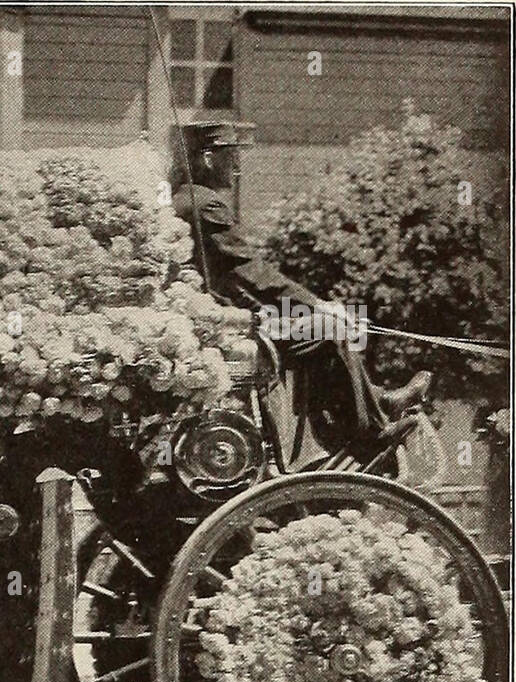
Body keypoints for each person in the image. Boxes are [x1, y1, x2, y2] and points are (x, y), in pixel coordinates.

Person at [170, 121, 431, 461]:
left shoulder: (186, 200)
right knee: (331, 331)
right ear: (207, 159)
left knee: (327, 332)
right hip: (228, 327)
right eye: (230, 156)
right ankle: (368, 435)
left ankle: (375, 404)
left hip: (226, 317)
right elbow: (252, 274)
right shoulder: (204, 204)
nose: (236, 167)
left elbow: (234, 275)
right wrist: (318, 306)